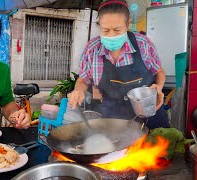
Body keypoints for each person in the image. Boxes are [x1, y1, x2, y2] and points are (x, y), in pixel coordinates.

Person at [68, 0, 169, 129]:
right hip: (113, 118)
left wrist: (158, 87)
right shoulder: (92, 49)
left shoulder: (143, 44)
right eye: (105, 30)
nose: (111, 35)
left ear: (128, 24)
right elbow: (83, 79)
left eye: (117, 30)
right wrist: (78, 90)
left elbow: (159, 72)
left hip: (149, 112)